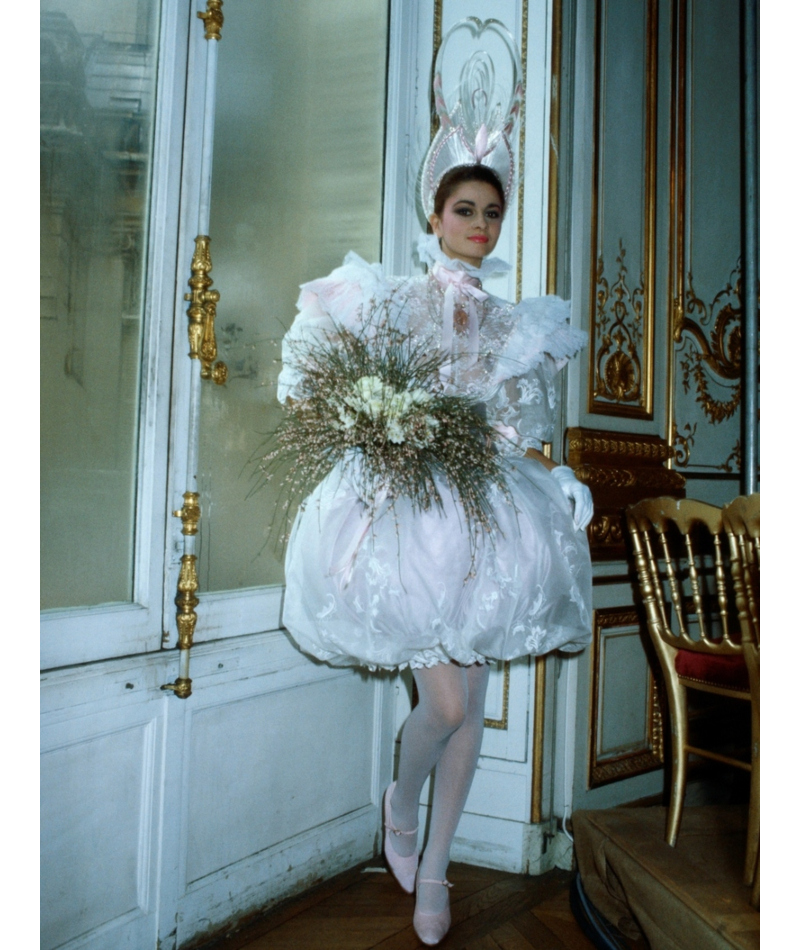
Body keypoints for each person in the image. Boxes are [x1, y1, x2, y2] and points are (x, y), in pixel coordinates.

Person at [275, 20, 592, 946]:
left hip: (489, 513)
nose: (480, 228)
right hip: (409, 508)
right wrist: (375, 423)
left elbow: (520, 425)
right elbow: (319, 379)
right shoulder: (388, 296)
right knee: (443, 705)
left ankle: (436, 874)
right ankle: (400, 800)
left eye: (492, 214)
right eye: (465, 211)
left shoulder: (514, 321)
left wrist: (557, 473)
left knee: (473, 707)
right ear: (435, 214)